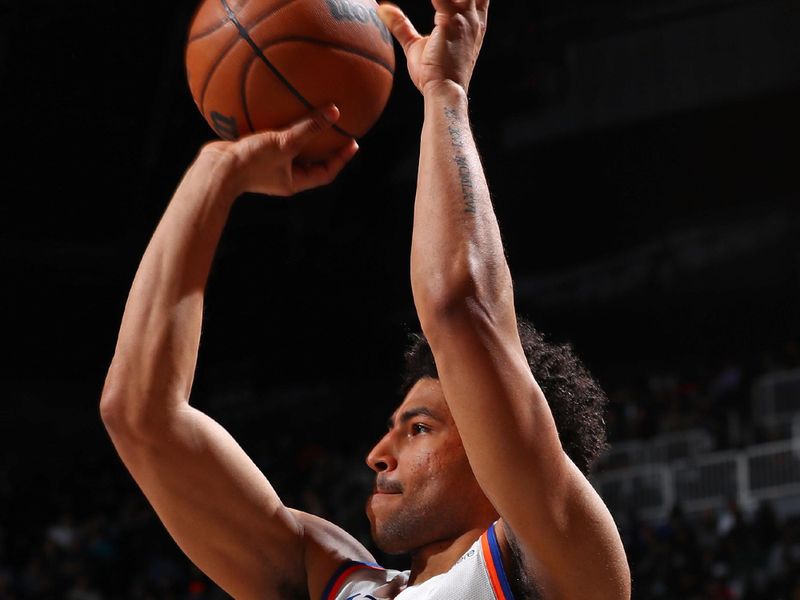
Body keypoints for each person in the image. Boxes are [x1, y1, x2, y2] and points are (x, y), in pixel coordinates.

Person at [99, 0, 631, 598]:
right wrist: (216, 174)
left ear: (500, 445)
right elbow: (140, 414)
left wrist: (444, 92)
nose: (378, 455)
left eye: (419, 428)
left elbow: (462, 312)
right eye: (398, 428)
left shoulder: (561, 563)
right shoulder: (334, 579)